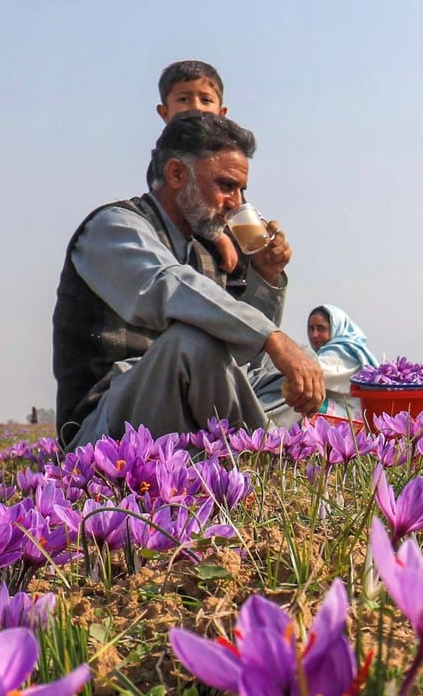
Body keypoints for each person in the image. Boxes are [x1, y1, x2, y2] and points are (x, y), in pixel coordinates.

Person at [53, 112, 323, 446]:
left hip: (182, 408)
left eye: (241, 190)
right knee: (192, 342)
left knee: (297, 366)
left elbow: (243, 353)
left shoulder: (200, 250)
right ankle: (260, 452)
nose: (236, 203)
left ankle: (238, 446)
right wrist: (273, 338)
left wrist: (265, 277)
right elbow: (168, 285)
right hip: (106, 428)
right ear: (177, 173)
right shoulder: (112, 228)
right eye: (226, 186)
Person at [150, 60, 240, 275]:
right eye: (183, 99)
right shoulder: (168, 153)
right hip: (186, 258)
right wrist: (218, 237)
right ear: (164, 112)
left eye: (206, 100)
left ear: (221, 113)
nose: (196, 107)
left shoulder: (228, 158)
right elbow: (172, 204)